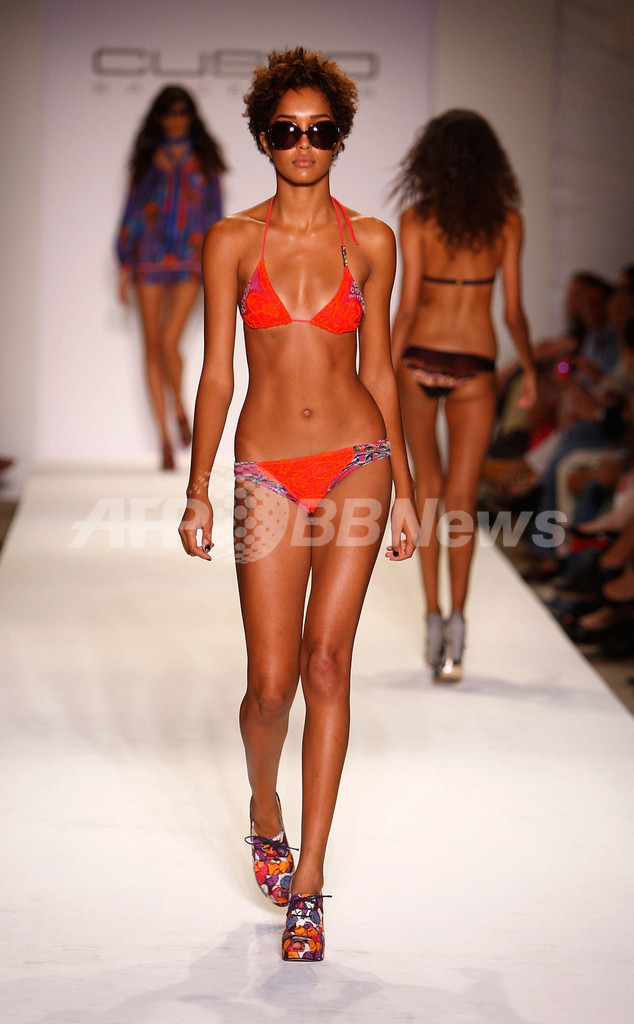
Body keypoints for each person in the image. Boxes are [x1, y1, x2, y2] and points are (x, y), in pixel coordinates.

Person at [178, 48, 417, 962]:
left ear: (341, 137)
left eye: (319, 130)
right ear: (263, 139)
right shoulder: (233, 241)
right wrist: (197, 488)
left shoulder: (373, 242)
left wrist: (407, 493)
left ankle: (308, 883)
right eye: (286, 131)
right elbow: (216, 375)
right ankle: (264, 803)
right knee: (271, 685)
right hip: (267, 474)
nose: (304, 144)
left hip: (359, 460)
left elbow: (381, 371)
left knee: (327, 666)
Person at [390, 109, 537, 681]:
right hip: (475, 365)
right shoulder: (506, 223)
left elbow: (406, 309)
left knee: (426, 491)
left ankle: (431, 614)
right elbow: (512, 311)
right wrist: (530, 368)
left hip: (418, 361)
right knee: (462, 498)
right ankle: (457, 627)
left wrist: (380, 370)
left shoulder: (416, 219)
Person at [116, 85, 226, 470]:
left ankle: (179, 406)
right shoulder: (148, 161)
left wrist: (219, 263)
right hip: (148, 258)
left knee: (167, 341)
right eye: (169, 112)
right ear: (159, 117)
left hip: (190, 258)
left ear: (191, 116)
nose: (176, 119)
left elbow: (215, 214)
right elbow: (132, 212)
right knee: (152, 345)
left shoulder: (205, 161)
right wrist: (124, 264)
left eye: (182, 112)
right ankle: (164, 438)